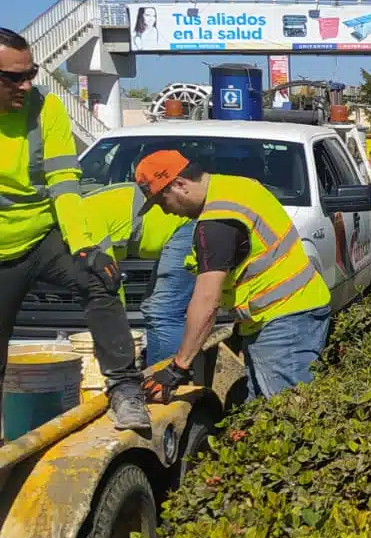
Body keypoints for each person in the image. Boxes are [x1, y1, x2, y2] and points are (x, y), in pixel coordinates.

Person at [0, 31, 149, 428]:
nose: (26, 85)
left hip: (41, 237)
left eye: (30, 73)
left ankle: (125, 390)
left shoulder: (45, 109)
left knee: (99, 278)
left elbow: (64, 182)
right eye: (14, 78)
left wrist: (84, 246)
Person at [134, 151, 331, 402]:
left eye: (163, 202)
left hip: (282, 322)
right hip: (291, 310)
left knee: (288, 413)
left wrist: (178, 366)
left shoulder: (218, 222)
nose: (166, 212)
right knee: (265, 409)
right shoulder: (235, 185)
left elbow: (207, 300)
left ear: (180, 185)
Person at [81, 182, 196, 366]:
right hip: (175, 231)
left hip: (185, 225)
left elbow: (109, 284)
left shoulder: (83, 224)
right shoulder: (77, 217)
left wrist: (114, 337)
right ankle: (155, 374)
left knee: (163, 312)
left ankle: (168, 382)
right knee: (155, 310)